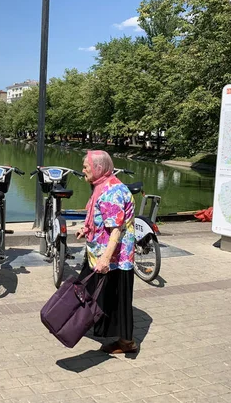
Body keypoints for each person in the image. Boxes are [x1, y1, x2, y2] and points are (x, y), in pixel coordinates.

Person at [75, 150, 138, 354]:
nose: (83, 170)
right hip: (100, 254)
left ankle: (126, 343)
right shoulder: (102, 187)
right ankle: (94, 326)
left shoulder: (112, 192)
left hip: (115, 258)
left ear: (99, 168)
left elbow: (115, 231)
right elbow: (100, 219)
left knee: (117, 297)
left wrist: (105, 259)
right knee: (96, 292)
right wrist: (87, 228)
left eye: (86, 167)